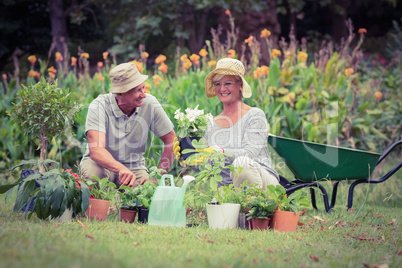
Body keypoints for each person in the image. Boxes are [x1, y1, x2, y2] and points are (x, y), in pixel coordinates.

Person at [174, 58, 279, 189]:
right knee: (216, 203)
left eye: (228, 83)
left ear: (240, 84)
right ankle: (237, 205)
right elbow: (207, 165)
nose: (222, 88)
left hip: (264, 185)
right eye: (217, 84)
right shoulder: (210, 124)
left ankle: (256, 207)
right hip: (228, 189)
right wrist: (188, 158)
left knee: (241, 164)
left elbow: (250, 154)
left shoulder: (255, 115)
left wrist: (221, 151)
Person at [80, 62, 176, 188]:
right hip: (100, 165)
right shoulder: (99, 106)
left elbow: (171, 140)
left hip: (134, 167)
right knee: (94, 178)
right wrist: (120, 168)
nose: (143, 94)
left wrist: (157, 178)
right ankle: (97, 207)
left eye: (143, 88)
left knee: (146, 193)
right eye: (138, 90)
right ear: (120, 93)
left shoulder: (150, 103)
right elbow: (96, 151)